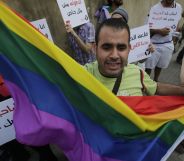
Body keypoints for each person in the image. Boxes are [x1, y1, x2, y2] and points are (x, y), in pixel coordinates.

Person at [85, 18, 184, 96]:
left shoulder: (138, 73)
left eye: (121, 48)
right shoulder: (81, 74)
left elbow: (156, 88)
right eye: (106, 47)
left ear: (129, 49)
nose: (114, 55)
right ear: (95, 48)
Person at [145, 0, 182, 81]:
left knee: (160, 65)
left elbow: (176, 23)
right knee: (148, 66)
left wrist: (175, 37)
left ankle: (156, 80)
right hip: (153, 44)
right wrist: (158, 31)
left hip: (167, 44)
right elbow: (146, 28)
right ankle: (146, 83)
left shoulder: (178, 7)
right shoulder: (154, 9)